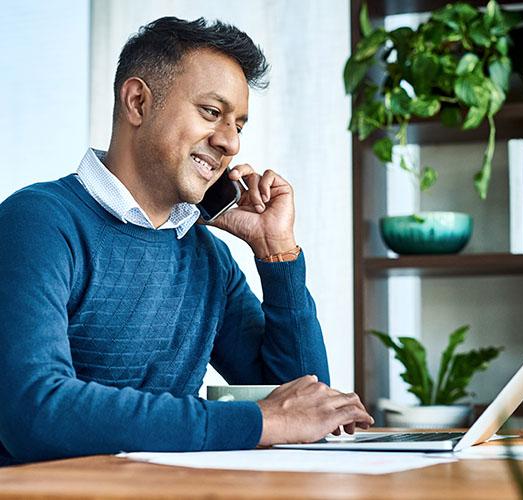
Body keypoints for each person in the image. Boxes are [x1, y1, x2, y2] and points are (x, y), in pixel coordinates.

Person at [0, 16, 373, 465]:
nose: (230, 142)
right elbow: (34, 413)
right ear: (137, 102)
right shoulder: (36, 221)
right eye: (212, 113)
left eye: (239, 125)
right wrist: (259, 422)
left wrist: (277, 254)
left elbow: (299, 403)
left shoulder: (207, 257)